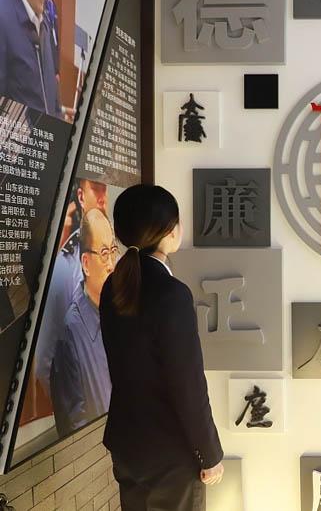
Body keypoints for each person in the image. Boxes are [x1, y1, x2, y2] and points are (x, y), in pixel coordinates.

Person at [99, 184, 223, 510]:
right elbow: (188, 384)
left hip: (128, 444)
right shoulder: (171, 293)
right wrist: (210, 454)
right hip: (170, 453)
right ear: (169, 231)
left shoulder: (113, 286)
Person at [35, 179, 108, 401]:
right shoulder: (65, 266)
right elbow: (45, 359)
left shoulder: (117, 256)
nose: (103, 197)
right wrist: (73, 410)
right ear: (81, 197)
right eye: (95, 189)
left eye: (104, 189)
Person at [50, 209, 116, 436]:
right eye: (104, 253)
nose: (112, 264)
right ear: (86, 264)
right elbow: (73, 426)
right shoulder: (71, 331)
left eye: (113, 250)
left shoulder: (116, 313)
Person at [0, 0, 71, 120]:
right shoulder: (3, 17)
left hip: (45, 130)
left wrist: (58, 122)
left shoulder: (44, 20)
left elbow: (51, 96)